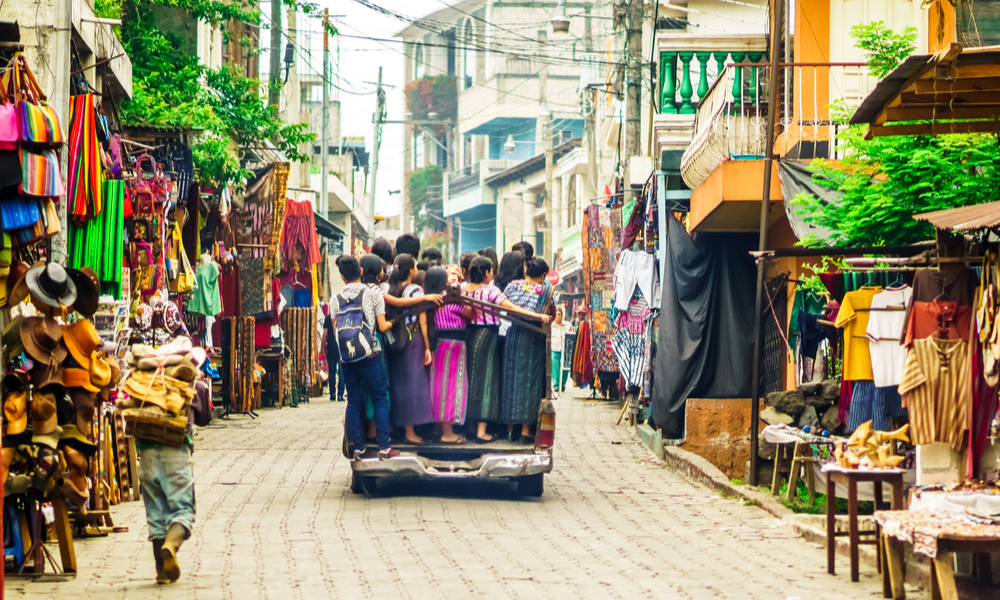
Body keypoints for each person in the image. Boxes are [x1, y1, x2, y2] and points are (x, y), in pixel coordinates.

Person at [135, 346, 212, 585]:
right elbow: (205, 418)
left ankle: (162, 572)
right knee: (183, 511)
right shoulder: (192, 384)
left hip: (146, 453)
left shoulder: (147, 380)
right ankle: (170, 546)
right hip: (176, 452)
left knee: (156, 514)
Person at [462, 256, 549, 443]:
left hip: (478, 336)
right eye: (491, 270)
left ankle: (502, 428)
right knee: (491, 382)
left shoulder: (507, 286)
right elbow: (512, 309)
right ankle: (520, 431)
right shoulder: (544, 290)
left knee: (481, 381)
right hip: (522, 337)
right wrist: (538, 316)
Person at [331, 255, 399, 461]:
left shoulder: (334, 300)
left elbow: (336, 329)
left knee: (353, 401)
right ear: (361, 272)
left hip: (347, 359)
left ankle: (358, 449)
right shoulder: (372, 294)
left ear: (342, 277)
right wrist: (394, 321)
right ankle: (384, 447)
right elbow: (381, 326)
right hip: (370, 354)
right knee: (379, 396)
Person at [500, 258, 555, 442]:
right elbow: (551, 315)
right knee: (530, 384)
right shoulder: (546, 291)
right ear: (543, 275)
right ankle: (524, 432)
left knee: (511, 381)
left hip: (514, 335)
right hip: (534, 338)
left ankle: (509, 430)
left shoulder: (512, 285)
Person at [386, 254, 434, 444]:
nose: (416, 269)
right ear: (410, 270)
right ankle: (410, 432)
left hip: (397, 340)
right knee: (414, 386)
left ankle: (398, 427)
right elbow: (422, 321)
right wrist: (427, 348)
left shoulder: (392, 288)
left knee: (399, 384)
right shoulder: (416, 290)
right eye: (415, 266)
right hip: (413, 338)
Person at [425, 266, 472, 443]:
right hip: (453, 345)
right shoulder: (451, 300)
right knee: (450, 388)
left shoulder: (430, 299)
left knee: (438, 386)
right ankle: (448, 433)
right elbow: (470, 313)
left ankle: (439, 428)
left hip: (438, 344)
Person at [322, 304, 346, 402]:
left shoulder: (328, 319)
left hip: (331, 347)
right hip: (341, 347)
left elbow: (325, 334)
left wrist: (322, 347)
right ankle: (340, 394)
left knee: (332, 370)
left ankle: (332, 394)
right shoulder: (343, 317)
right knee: (341, 371)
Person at [550, 307, 570, 393]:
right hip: (554, 348)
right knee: (555, 368)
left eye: (559, 314)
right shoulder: (551, 326)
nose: (558, 316)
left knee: (565, 368)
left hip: (564, 349)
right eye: (556, 314)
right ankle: (556, 385)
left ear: (562, 316)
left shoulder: (567, 325)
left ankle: (563, 384)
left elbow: (570, 332)